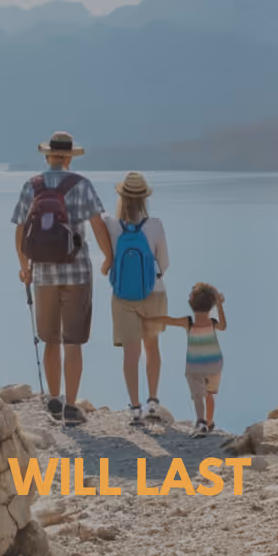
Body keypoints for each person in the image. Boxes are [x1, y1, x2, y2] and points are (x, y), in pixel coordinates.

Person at [13, 131, 113, 426]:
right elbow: (97, 225)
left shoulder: (31, 186)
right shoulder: (82, 185)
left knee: (50, 340)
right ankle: (71, 406)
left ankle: (54, 400)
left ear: (47, 156)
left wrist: (25, 267)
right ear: (69, 157)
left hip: (42, 274)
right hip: (77, 272)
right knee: (73, 341)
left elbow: (20, 230)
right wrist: (108, 257)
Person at [100, 172, 171, 425]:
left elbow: (93, 224)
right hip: (155, 292)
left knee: (131, 353)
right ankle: (153, 401)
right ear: (144, 198)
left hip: (122, 296)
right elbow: (164, 263)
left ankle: (135, 408)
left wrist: (108, 262)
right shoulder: (156, 225)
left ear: (121, 195)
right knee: (152, 347)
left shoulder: (110, 222)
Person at [147, 282, 227, 438]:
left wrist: (148, 318)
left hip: (195, 365)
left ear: (191, 302)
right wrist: (220, 305)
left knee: (198, 395)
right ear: (211, 304)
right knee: (210, 394)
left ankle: (201, 422)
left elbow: (167, 320)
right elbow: (223, 326)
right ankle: (209, 422)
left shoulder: (188, 322)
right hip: (214, 364)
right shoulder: (212, 323)